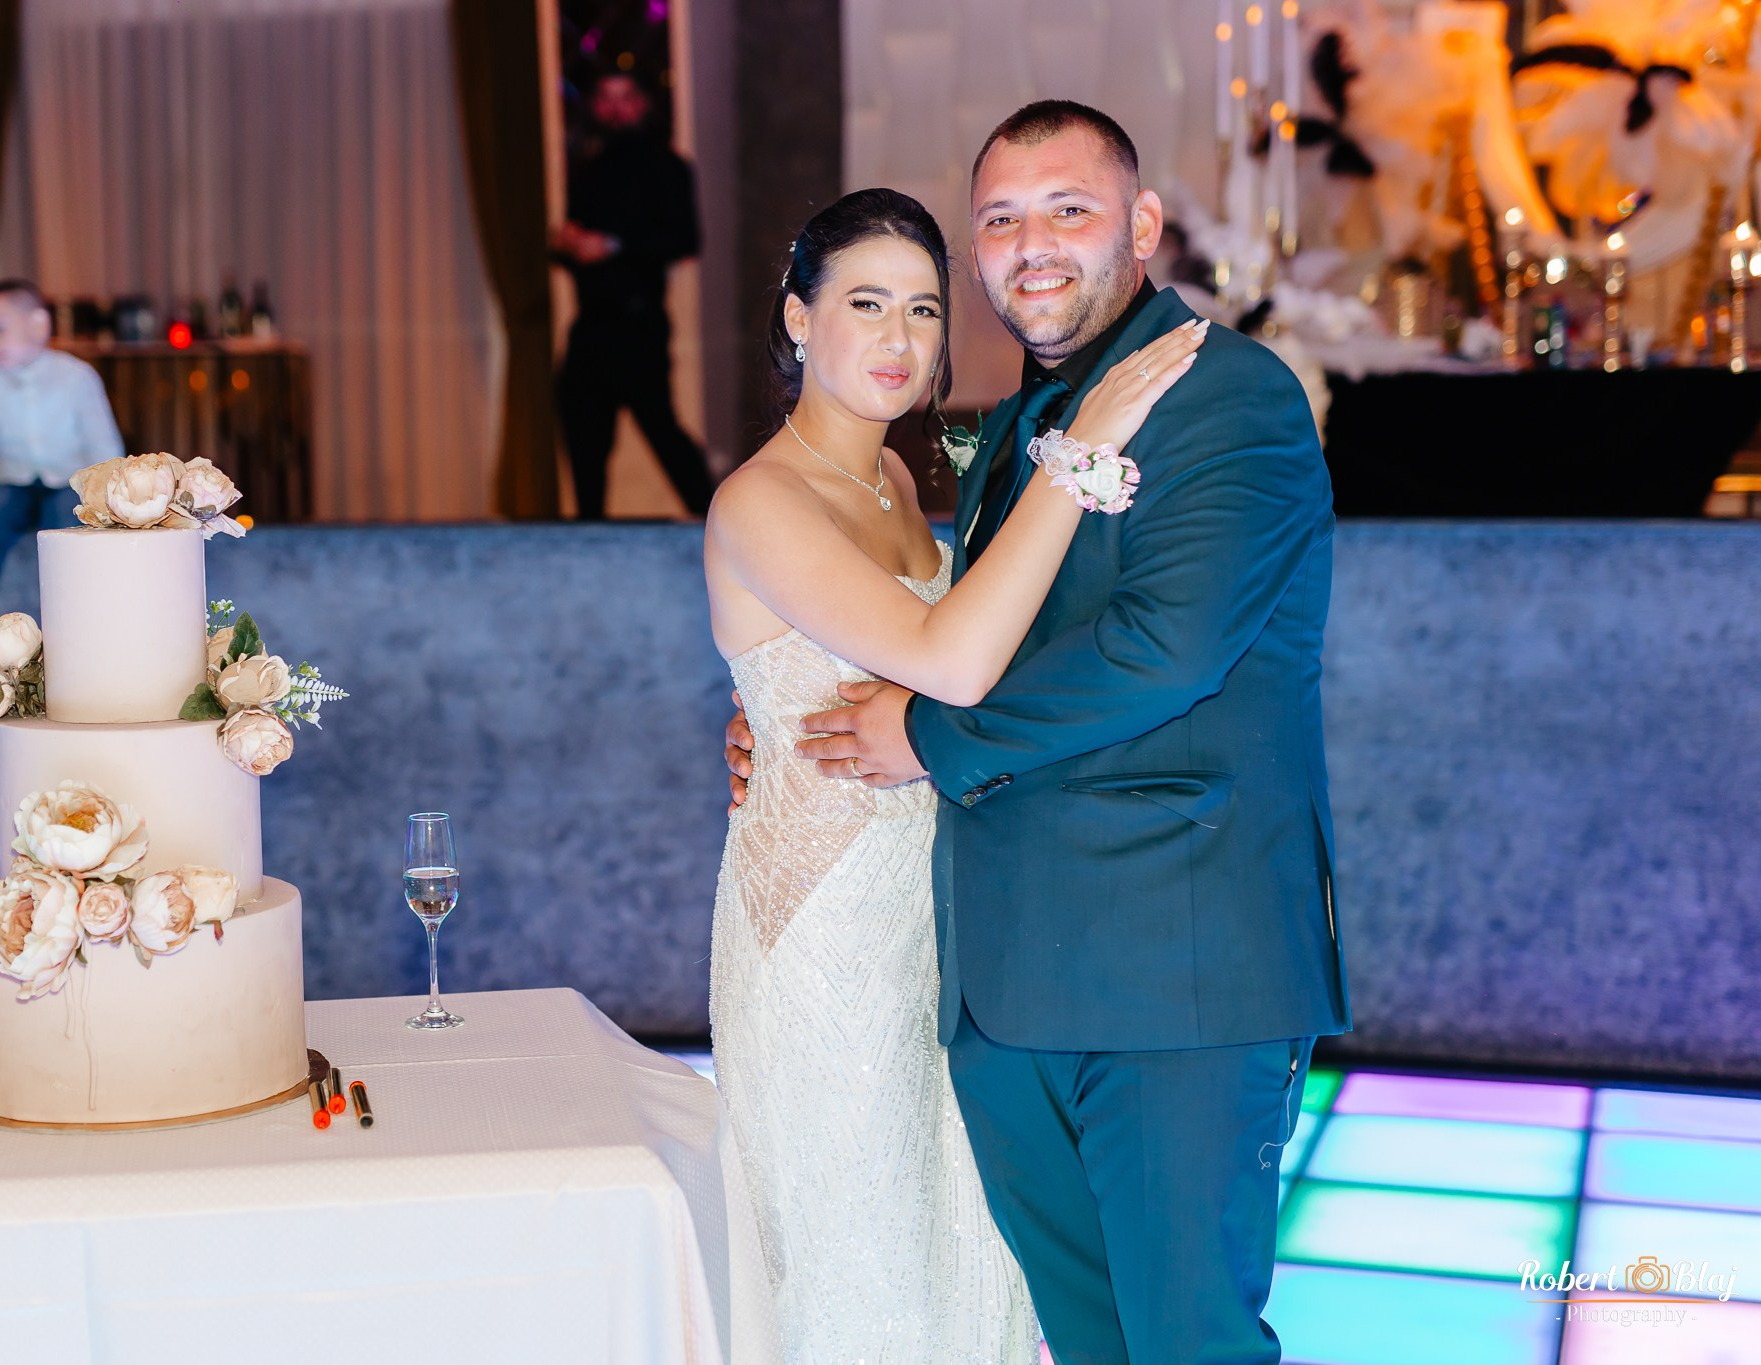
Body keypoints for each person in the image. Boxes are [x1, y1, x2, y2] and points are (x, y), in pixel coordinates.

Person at [725, 103, 1350, 1363]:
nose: (1033, 245)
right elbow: (926, 630)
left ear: (1141, 224)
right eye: (1000, 221)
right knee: (1080, 1340)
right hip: (1003, 987)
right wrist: (778, 717)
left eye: (1069, 209)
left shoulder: (1225, 394)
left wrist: (920, 740)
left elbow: (1159, 653)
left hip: (1172, 980)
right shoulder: (1011, 428)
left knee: (1186, 1344)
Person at [706, 185, 1204, 1360]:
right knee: (861, 1262)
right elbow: (951, 659)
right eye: (864, 303)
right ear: (795, 319)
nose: (898, 340)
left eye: (923, 310)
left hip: (936, 922)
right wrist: (1080, 455)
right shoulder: (758, 499)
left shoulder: (897, 489)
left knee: (963, 1249)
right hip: (823, 941)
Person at [0, 279, 124, 657]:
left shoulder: (77, 376)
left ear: (39, 324)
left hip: (70, 480)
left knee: (63, 526)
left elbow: (104, 445)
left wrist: (112, 502)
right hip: (15, 481)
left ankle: (72, 621)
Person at [554, 71, 714, 520]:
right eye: (606, 98)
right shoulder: (589, 169)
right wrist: (568, 244)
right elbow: (579, 244)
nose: (616, 107)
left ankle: (715, 524)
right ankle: (589, 535)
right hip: (592, 322)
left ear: (642, 104)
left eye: (626, 97)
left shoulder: (668, 167)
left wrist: (612, 245)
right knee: (583, 432)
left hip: (638, 322)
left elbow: (685, 239)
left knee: (661, 428)